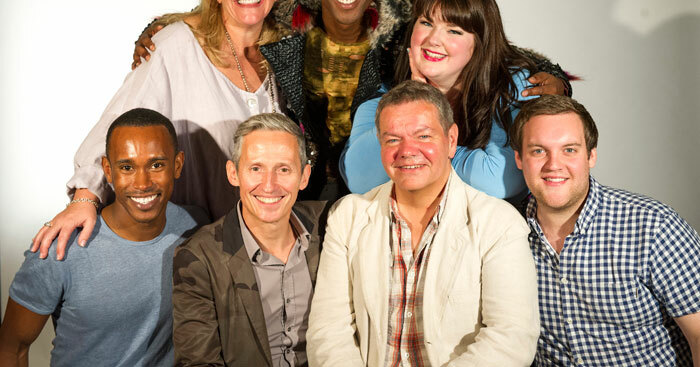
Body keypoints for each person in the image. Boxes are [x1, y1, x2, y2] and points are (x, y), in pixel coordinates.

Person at [132, 0, 571, 201]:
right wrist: (167, 25)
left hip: (388, 179)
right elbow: (236, 5)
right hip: (307, 182)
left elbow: (484, 42)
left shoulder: (407, 20)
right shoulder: (285, 10)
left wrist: (551, 75)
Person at [31, 0, 286, 260]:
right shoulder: (174, 46)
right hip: (192, 249)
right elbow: (119, 125)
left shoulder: (287, 54)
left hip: (268, 247)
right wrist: (84, 196)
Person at [307, 81, 539, 366]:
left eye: (424, 136)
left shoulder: (499, 224)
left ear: (451, 140)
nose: (407, 150)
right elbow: (328, 333)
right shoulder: (348, 217)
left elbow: (511, 340)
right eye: (392, 139)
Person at [0, 108, 204, 367]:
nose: (142, 183)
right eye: (127, 167)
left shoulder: (196, 227)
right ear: (107, 170)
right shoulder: (59, 248)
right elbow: (11, 348)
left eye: (156, 165)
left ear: (177, 165)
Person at [511, 95, 700, 366]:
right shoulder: (505, 233)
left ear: (591, 156)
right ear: (519, 158)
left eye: (570, 150)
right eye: (538, 151)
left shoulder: (653, 227)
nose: (554, 165)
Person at [343, 0, 542, 201]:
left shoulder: (512, 87)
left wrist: (421, 154)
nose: (433, 40)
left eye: (454, 31)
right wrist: (414, 108)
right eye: (426, 23)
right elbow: (358, 180)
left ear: (480, 44)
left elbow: (499, 181)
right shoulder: (382, 96)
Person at [172, 113, 330, 366]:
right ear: (233, 173)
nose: (269, 185)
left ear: (304, 177)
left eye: (284, 169)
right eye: (256, 168)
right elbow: (198, 362)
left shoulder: (332, 225)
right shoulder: (199, 257)